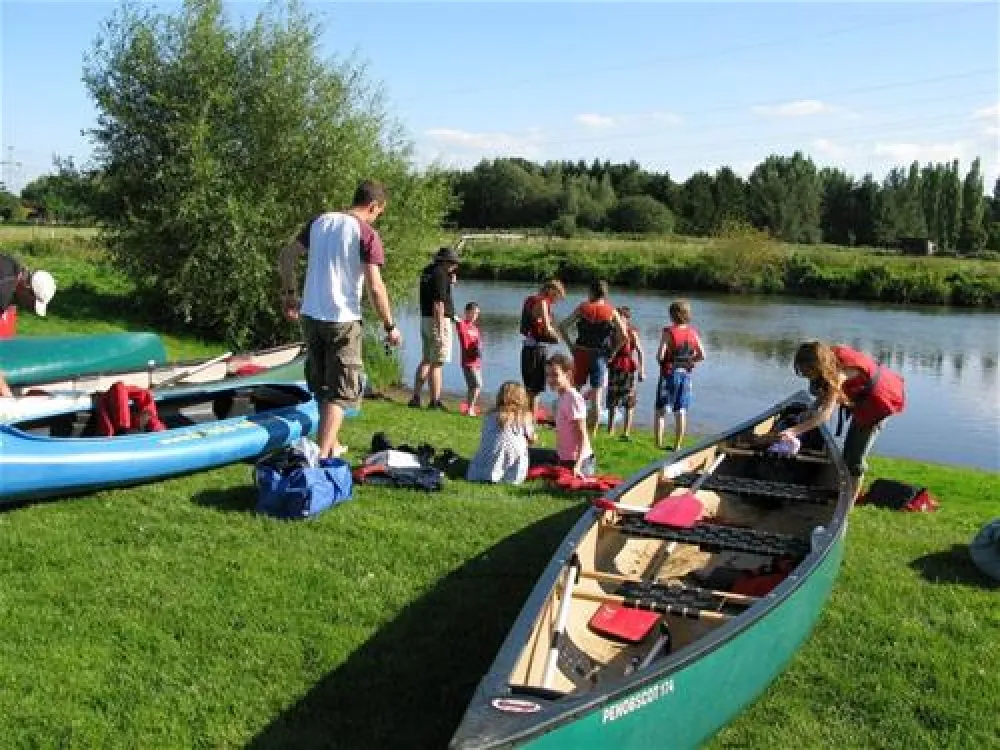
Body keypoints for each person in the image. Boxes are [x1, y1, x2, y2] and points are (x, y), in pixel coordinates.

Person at [278, 179, 401, 460]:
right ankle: (319, 458)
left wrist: (288, 294)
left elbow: (286, 257)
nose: (377, 218)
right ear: (373, 206)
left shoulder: (319, 222)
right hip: (342, 318)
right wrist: (390, 326)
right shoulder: (366, 234)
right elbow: (376, 287)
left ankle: (331, 444)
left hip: (310, 316)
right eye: (379, 213)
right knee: (341, 392)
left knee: (322, 385)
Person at [778, 341, 906, 497]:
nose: (805, 376)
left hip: (879, 400)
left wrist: (793, 431)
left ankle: (849, 502)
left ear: (817, 366)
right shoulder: (826, 355)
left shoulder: (840, 375)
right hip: (862, 393)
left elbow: (825, 414)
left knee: (853, 459)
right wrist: (812, 408)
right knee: (815, 390)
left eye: (807, 373)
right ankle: (845, 489)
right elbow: (825, 391)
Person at [558, 279, 626, 436]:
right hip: (600, 355)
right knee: (597, 397)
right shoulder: (611, 311)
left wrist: (571, 346)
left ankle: (567, 424)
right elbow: (623, 336)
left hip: (581, 352)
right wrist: (613, 352)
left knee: (573, 391)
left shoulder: (582, 308)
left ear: (592, 292)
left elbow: (562, 326)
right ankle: (592, 433)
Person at [528, 353, 595, 478]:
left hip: (579, 462)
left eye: (555, 375)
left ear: (568, 374)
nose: (550, 380)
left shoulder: (573, 398)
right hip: (562, 457)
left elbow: (582, 435)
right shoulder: (562, 397)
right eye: (548, 375)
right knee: (523, 453)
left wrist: (578, 466)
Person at [0, 253, 58, 396]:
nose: (28, 307)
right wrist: (6, 394)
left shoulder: (12, 265)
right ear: (28, 288)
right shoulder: (3, 292)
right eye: (31, 302)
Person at [409, 247, 459, 410]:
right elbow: (438, 304)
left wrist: (449, 282)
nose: (454, 266)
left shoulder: (428, 271)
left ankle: (416, 397)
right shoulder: (440, 274)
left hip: (425, 319)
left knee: (426, 359)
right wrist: (439, 331)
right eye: (452, 263)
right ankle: (434, 401)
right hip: (437, 321)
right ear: (444, 261)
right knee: (438, 363)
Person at [654, 300, 705, 451]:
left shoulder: (668, 331)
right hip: (685, 376)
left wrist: (662, 361)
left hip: (669, 374)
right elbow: (702, 355)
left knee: (660, 410)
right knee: (681, 410)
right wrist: (691, 361)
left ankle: (658, 444)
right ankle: (677, 446)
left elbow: (660, 355)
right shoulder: (693, 332)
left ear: (673, 315)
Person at [466, 381, 537, 484]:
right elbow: (531, 439)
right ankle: (509, 475)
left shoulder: (490, 415)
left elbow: (485, 435)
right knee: (520, 448)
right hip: (513, 459)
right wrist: (533, 437)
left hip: (488, 455)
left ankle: (487, 472)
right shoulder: (524, 416)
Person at [519, 279, 566, 416]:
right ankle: (531, 423)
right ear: (551, 291)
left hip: (527, 348)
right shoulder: (543, 302)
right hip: (537, 349)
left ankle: (526, 420)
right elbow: (547, 328)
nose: (556, 301)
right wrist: (559, 339)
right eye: (557, 296)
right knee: (536, 390)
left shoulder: (530, 299)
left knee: (529, 388)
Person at [606, 305, 645, 440]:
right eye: (615, 317)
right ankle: (610, 430)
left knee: (629, 401)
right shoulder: (611, 332)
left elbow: (640, 352)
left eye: (620, 317)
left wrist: (642, 371)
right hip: (613, 368)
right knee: (612, 400)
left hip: (628, 368)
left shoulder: (631, 332)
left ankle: (626, 432)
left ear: (626, 319)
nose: (616, 319)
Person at [455, 301, 483, 416]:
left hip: (476, 361)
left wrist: (479, 348)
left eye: (477, 314)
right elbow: (454, 317)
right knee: (477, 385)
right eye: (474, 313)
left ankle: (468, 408)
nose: (475, 316)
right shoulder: (462, 324)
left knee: (473, 386)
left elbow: (479, 343)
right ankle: (470, 408)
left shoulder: (475, 329)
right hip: (467, 361)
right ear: (467, 312)